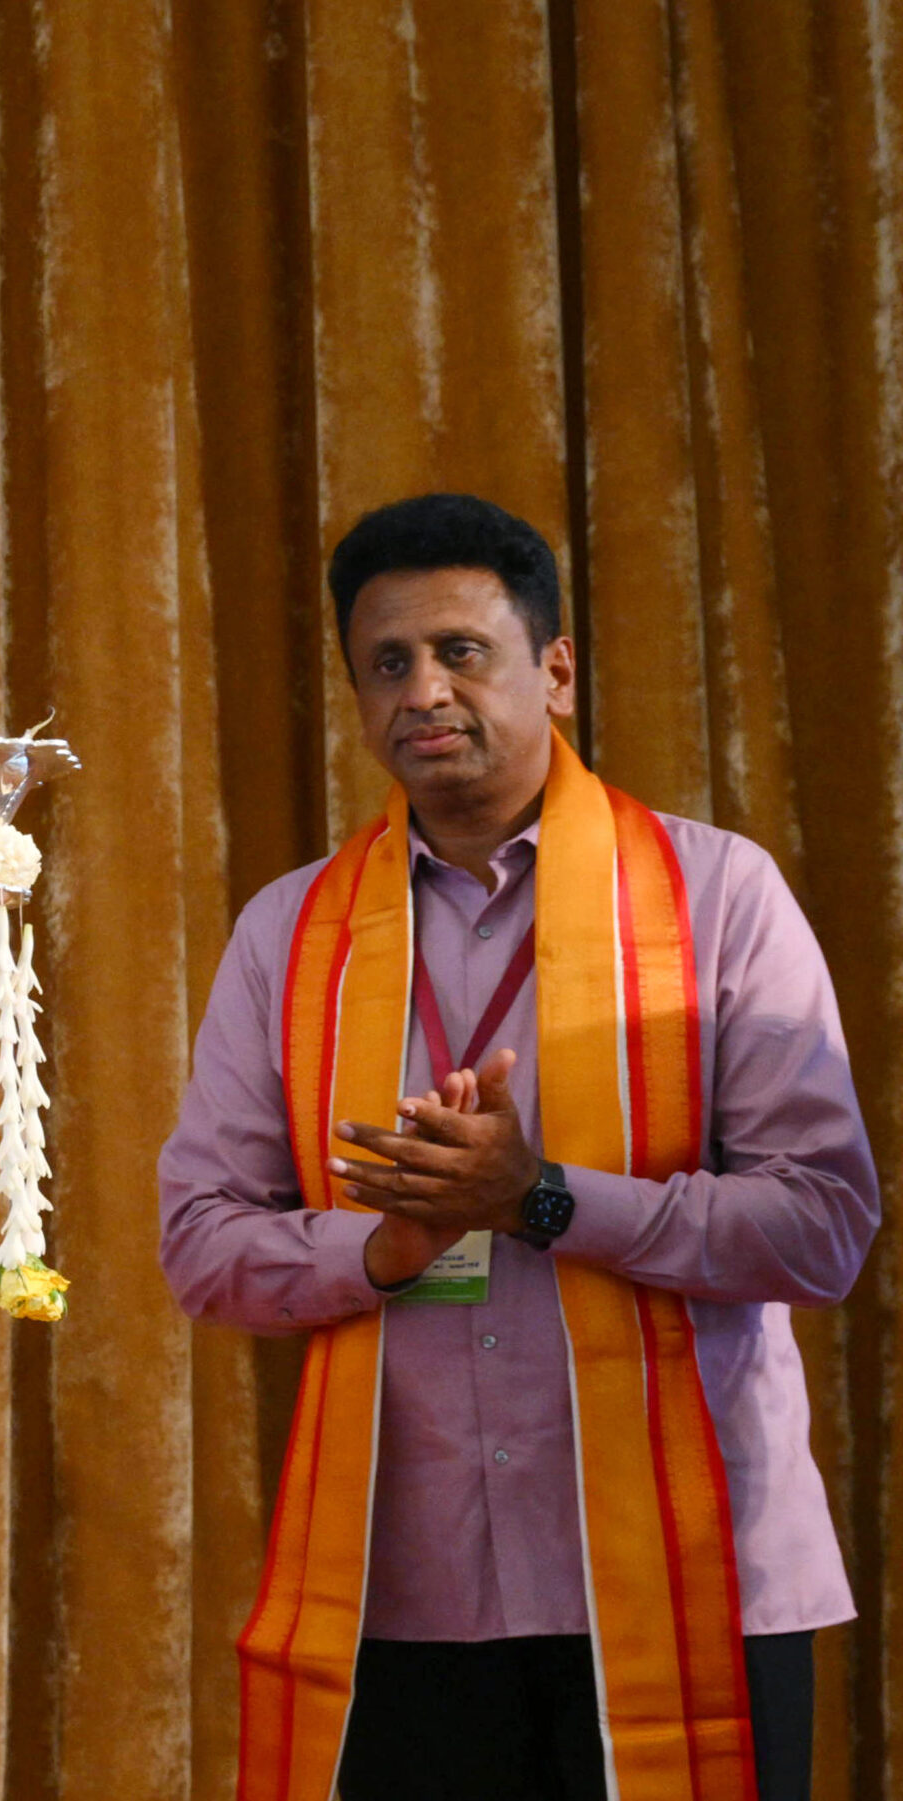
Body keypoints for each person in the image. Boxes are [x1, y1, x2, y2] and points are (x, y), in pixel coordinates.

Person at [158, 495, 878, 1801]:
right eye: (388, 663)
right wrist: (386, 1244)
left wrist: (542, 1198)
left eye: (460, 650)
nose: (422, 691)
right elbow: (202, 1243)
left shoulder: (716, 894)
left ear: (554, 668)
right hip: (400, 1591)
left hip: (701, 1574)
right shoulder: (290, 932)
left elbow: (822, 1224)